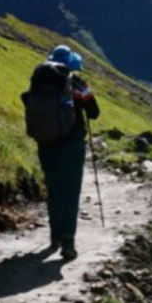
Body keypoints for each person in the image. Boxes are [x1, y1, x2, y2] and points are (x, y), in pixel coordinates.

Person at [36, 44, 99, 261]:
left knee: (54, 190)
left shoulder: (39, 81)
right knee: (71, 192)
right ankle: (68, 242)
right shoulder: (77, 84)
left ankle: (54, 236)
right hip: (72, 145)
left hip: (46, 144)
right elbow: (95, 113)